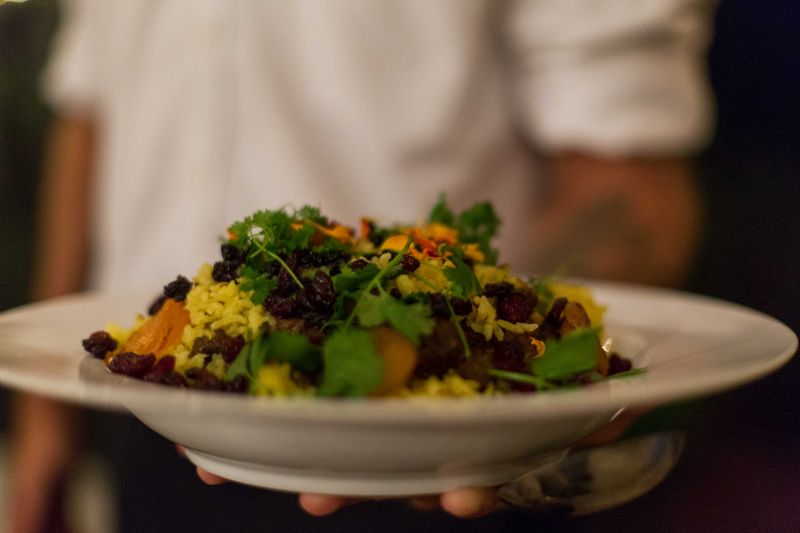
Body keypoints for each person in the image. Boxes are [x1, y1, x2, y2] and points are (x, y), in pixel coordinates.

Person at [11, 1, 713, 531]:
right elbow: (91, 106)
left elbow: (626, 180)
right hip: (151, 421)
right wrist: (45, 415)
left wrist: (548, 390)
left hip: (434, 464)